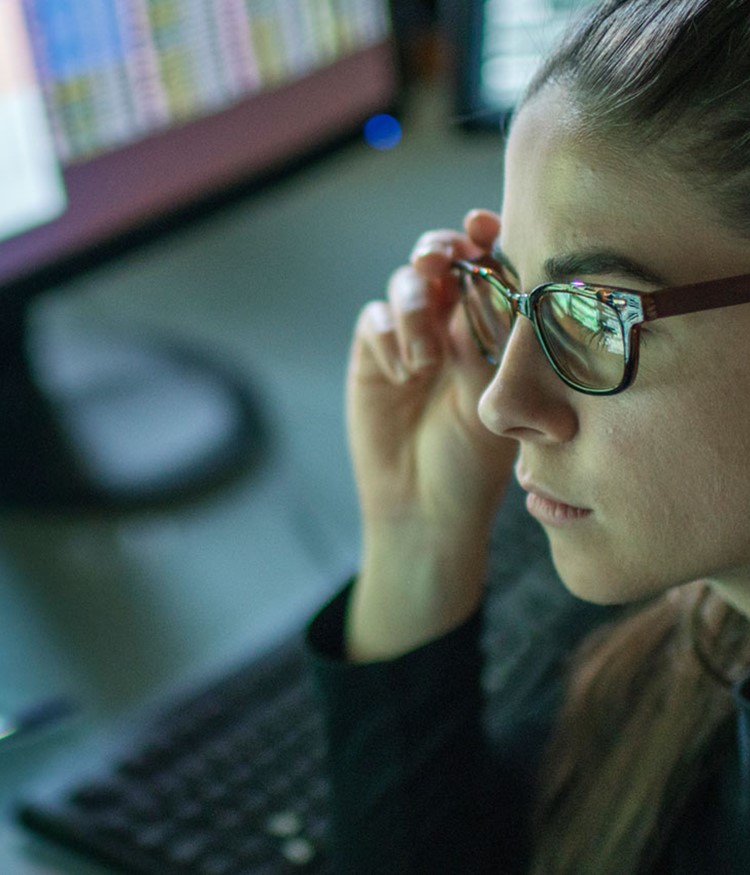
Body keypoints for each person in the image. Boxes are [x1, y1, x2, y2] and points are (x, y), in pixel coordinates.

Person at [305, 1, 750, 872]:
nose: (500, 403)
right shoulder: (680, 644)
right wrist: (416, 536)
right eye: (507, 291)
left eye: (594, 310)